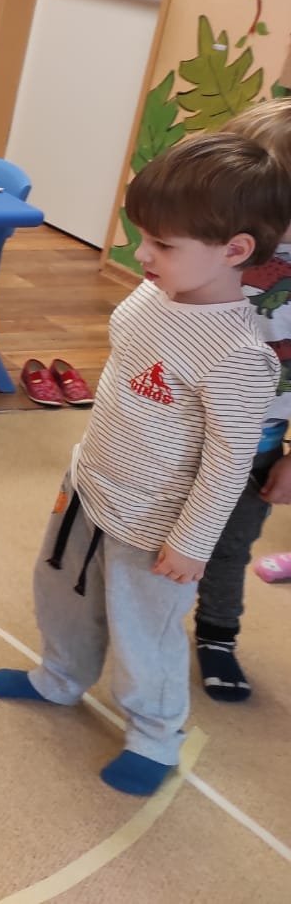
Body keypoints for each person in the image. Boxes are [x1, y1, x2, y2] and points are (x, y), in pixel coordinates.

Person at [0, 132, 291, 796]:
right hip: (90, 485)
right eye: (143, 236)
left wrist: (192, 542)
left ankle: (154, 734)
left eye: (163, 245)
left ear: (236, 250)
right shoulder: (152, 296)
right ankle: (59, 676)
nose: (142, 254)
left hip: (157, 525)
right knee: (61, 592)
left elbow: (227, 462)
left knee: (142, 631)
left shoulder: (240, 356)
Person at [193, 100, 291, 700]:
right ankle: (133, 619)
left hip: (255, 449)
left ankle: (217, 634)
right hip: (179, 436)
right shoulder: (214, 251)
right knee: (151, 537)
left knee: (228, 548)